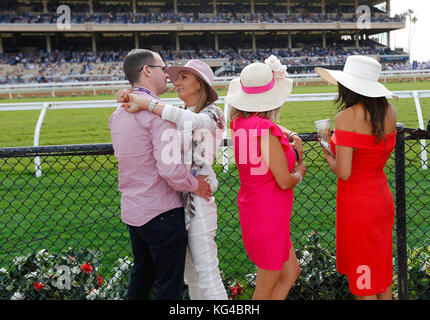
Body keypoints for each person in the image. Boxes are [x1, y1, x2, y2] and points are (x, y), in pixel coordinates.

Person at [116, 59, 228, 300]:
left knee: (208, 277)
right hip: (177, 204)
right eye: (176, 77)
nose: (176, 82)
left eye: (184, 78)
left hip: (198, 203)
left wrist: (147, 102)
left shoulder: (213, 114)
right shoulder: (182, 112)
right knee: (192, 279)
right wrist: (130, 95)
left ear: (200, 85)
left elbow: (191, 123)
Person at [315, 55, 397, 300]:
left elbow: (344, 171)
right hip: (381, 197)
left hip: (357, 205)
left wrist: (327, 152)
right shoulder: (389, 110)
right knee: (380, 274)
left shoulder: (346, 117)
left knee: (363, 280)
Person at [226, 56, 307, 300]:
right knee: (263, 290)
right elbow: (284, 180)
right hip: (269, 214)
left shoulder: (240, 122)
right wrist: (300, 172)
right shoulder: (266, 132)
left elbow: (263, 125)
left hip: (260, 210)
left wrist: (289, 133)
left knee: (291, 271)